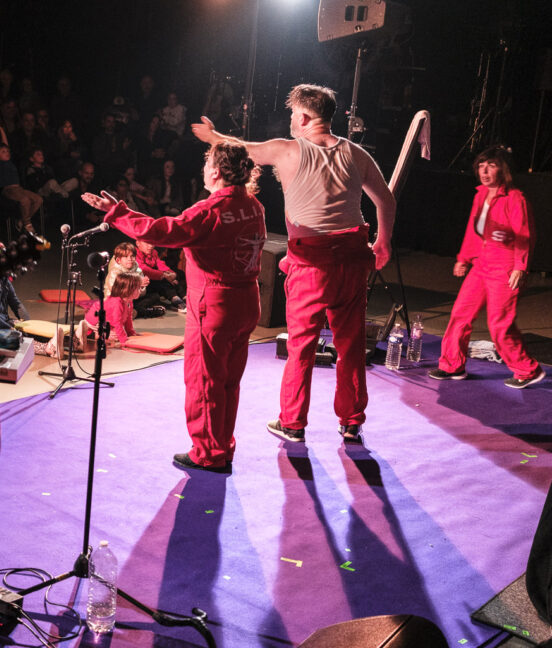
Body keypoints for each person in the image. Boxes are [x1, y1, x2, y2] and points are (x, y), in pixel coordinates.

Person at [192, 83, 395, 445]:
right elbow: (386, 201)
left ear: (302, 117)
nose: (290, 120)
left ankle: (293, 423)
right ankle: (351, 422)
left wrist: (212, 136)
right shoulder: (356, 153)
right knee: (350, 345)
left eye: (291, 115)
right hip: (351, 258)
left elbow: (243, 149)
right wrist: (383, 241)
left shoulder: (288, 150)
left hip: (312, 262)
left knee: (302, 346)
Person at [84, 142, 266, 471]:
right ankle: (222, 445)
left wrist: (117, 213)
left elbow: (161, 231)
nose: (203, 169)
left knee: (205, 381)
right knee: (228, 382)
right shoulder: (253, 205)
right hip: (247, 302)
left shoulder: (209, 211)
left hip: (215, 305)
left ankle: (208, 454)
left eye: (207, 164)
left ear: (215, 172)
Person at [428, 147, 544, 389]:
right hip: (481, 264)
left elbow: (525, 235)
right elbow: (473, 232)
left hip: (505, 267)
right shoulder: (480, 194)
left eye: (491, 165)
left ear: (503, 169)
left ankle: (527, 370)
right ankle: (452, 366)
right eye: (481, 166)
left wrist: (520, 267)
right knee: (460, 314)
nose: (484, 171)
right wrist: (463, 258)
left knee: (499, 323)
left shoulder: (515, 199)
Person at [80, 270, 142, 347]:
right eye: (138, 288)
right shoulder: (117, 302)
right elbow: (117, 322)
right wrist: (123, 339)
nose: (140, 290)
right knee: (116, 337)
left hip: (108, 322)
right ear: (128, 289)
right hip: (95, 321)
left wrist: (130, 332)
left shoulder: (129, 301)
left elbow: (128, 318)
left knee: (118, 334)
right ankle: (92, 334)